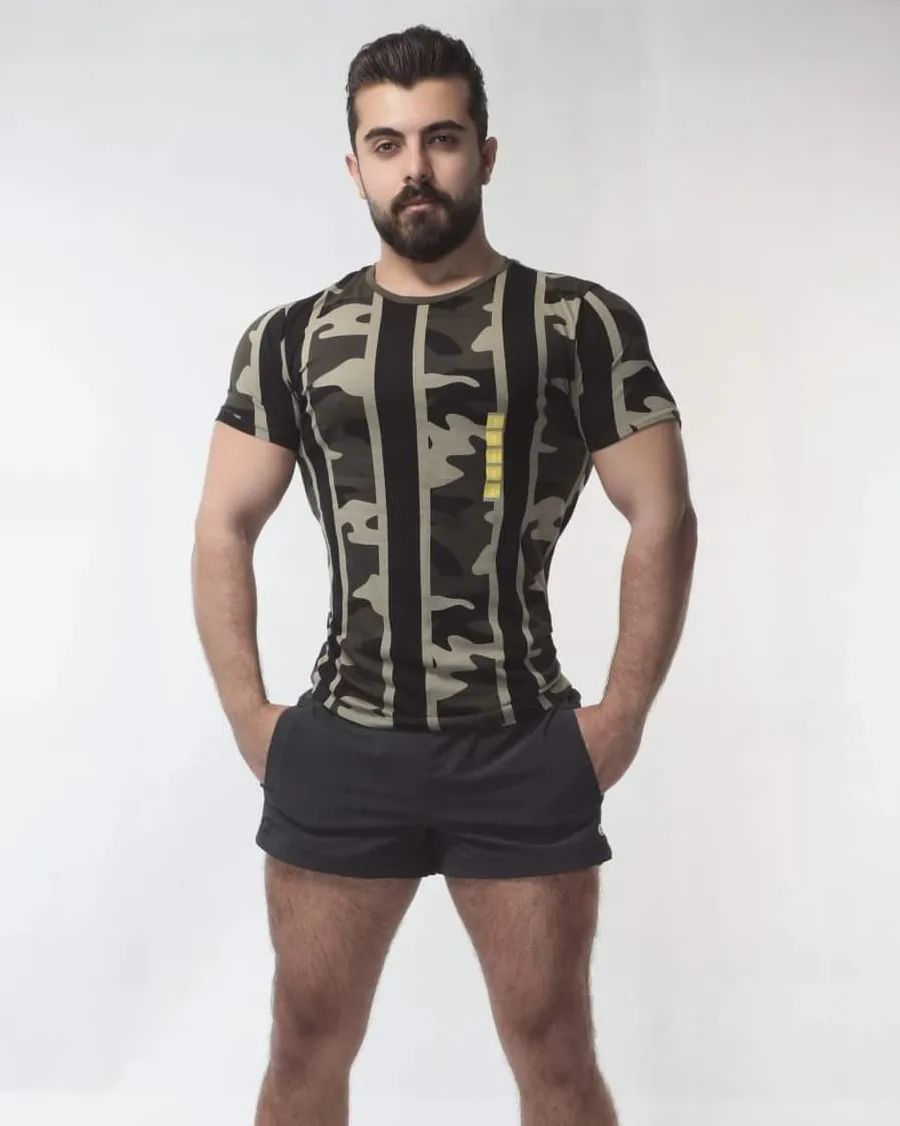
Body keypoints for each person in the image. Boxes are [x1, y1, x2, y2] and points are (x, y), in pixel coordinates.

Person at [192, 22, 697, 1126]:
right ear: (355, 166)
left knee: (555, 1051)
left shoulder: (578, 324)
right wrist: (250, 717)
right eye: (387, 144)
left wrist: (622, 716)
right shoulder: (290, 339)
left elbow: (661, 513)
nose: (414, 167)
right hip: (342, 743)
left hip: (521, 743)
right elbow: (224, 524)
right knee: (303, 1044)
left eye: (441, 138)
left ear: (486, 152)